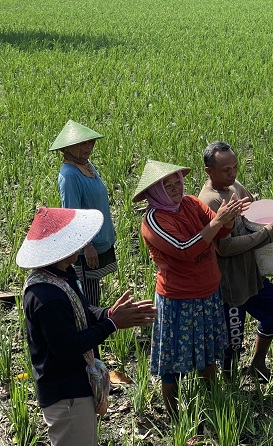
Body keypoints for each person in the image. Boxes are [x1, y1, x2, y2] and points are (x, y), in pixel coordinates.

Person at [17, 207, 156, 446]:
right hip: (66, 396)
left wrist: (109, 314)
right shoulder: (45, 297)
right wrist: (112, 324)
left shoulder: (63, 275)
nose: (81, 244)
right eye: (74, 240)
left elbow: (83, 310)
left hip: (77, 387)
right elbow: (68, 348)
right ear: (60, 250)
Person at [132, 160, 249, 416]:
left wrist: (229, 217)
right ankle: (174, 415)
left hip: (208, 293)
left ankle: (212, 401)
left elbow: (219, 232)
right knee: (171, 362)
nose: (175, 188)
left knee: (208, 353)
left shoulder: (190, 203)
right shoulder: (153, 220)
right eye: (167, 185)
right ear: (155, 191)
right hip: (178, 300)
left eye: (177, 182)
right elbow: (185, 249)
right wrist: (218, 222)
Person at [198, 141, 273, 381]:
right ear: (208, 171)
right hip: (230, 283)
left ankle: (258, 361)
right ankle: (229, 386)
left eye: (235, 167)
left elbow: (250, 205)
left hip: (250, 274)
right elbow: (224, 248)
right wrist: (268, 233)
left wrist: (257, 209)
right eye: (226, 170)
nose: (233, 173)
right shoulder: (210, 201)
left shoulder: (233, 186)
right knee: (233, 340)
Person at [51, 120, 117, 306]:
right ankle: (89, 330)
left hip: (99, 238)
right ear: (68, 148)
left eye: (90, 142)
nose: (88, 147)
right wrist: (86, 246)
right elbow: (72, 214)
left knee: (93, 290)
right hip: (87, 247)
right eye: (82, 143)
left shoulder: (87, 165)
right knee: (89, 298)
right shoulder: (69, 175)